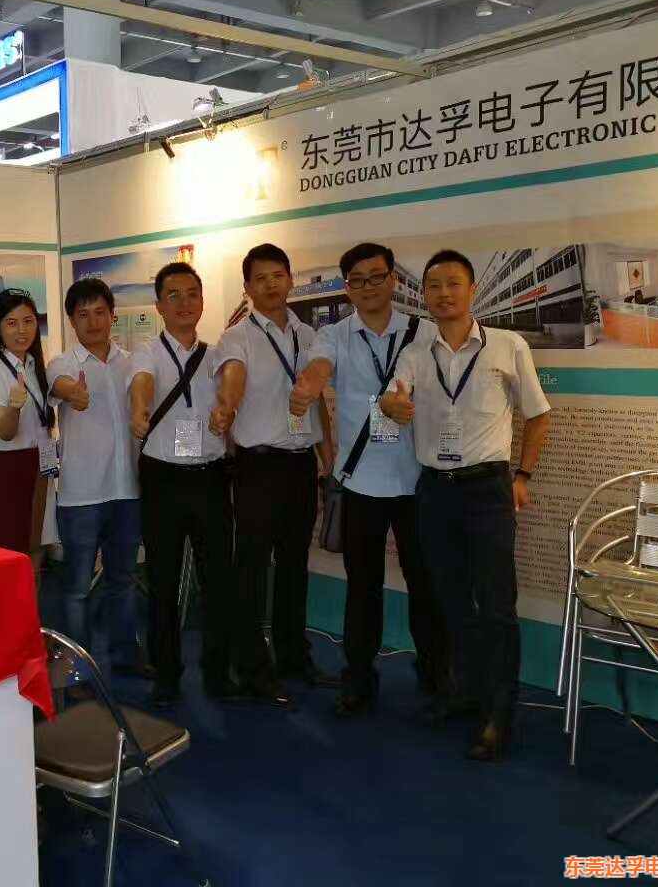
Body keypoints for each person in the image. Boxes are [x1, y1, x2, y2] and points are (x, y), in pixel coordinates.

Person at [381, 249, 551, 761]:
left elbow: (538, 414)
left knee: (496, 604)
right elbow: (391, 398)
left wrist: (523, 475)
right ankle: (464, 692)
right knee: (449, 599)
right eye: (433, 286)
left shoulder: (507, 345)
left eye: (453, 283)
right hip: (435, 491)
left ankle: (499, 712)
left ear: (472, 290)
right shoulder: (416, 353)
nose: (443, 294)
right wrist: (392, 405)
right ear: (424, 295)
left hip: (487, 491)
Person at [290, 242, 448, 718]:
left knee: (426, 585)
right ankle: (358, 678)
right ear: (347, 288)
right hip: (359, 482)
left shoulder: (423, 332)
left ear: (392, 280)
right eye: (357, 280)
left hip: (417, 481)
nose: (368, 287)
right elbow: (319, 365)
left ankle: (436, 675)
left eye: (377, 276)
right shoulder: (334, 335)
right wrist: (310, 384)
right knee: (363, 587)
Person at [130, 262, 284, 709]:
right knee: (162, 581)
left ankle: (218, 673)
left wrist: (226, 409)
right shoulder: (147, 352)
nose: (184, 303)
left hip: (211, 478)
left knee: (218, 581)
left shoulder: (217, 353)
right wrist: (140, 411)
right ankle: (166, 675)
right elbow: (142, 384)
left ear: (202, 301)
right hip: (163, 478)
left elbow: (232, 379)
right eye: (173, 295)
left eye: (192, 294)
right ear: (159, 306)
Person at [214, 242, 336, 697]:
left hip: (300, 465)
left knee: (294, 565)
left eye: (278, 276)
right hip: (258, 468)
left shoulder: (308, 335)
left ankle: (292, 655)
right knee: (251, 568)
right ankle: (251, 667)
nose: (270, 285)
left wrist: (328, 458)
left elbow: (315, 400)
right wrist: (227, 406)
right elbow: (233, 377)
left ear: (290, 279)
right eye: (260, 278)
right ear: (247, 287)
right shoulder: (237, 338)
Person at [47, 278, 148, 677]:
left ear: (112, 315)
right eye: (83, 314)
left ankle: (125, 656)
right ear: (72, 321)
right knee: (76, 587)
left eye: (99, 313)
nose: (92, 322)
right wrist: (74, 393)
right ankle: (77, 667)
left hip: (127, 491)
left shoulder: (133, 363)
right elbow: (60, 386)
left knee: (123, 579)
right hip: (81, 495)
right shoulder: (63, 363)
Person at [0, 289, 55, 562]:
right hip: (7, 469)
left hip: (39, 465)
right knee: (8, 554)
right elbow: (5, 431)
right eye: (12, 323)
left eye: (28, 321)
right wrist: (14, 407)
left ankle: (34, 592)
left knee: (36, 549)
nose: (22, 330)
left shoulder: (33, 365)